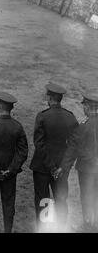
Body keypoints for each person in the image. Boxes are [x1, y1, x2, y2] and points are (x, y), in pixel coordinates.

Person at [30, 83, 79, 231]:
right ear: (60, 99)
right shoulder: (70, 118)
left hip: (43, 167)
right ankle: (61, 228)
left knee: (44, 199)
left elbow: (39, 145)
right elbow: (74, 146)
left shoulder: (43, 117)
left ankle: (44, 228)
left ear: (50, 98)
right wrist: (62, 167)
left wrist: (51, 167)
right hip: (62, 169)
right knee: (61, 199)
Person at [0, 92, 28, 233]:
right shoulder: (17, 127)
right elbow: (22, 152)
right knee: (9, 204)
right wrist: (11, 169)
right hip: (10, 174)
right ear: (11, 108)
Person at [56, 92, 98, 232]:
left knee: (86, 196)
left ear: (88, 107)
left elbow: (72, 148)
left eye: (84, 106)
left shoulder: (83, 126)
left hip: (87, 170)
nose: (83, 109)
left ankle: (88, 225)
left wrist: (63, 167)